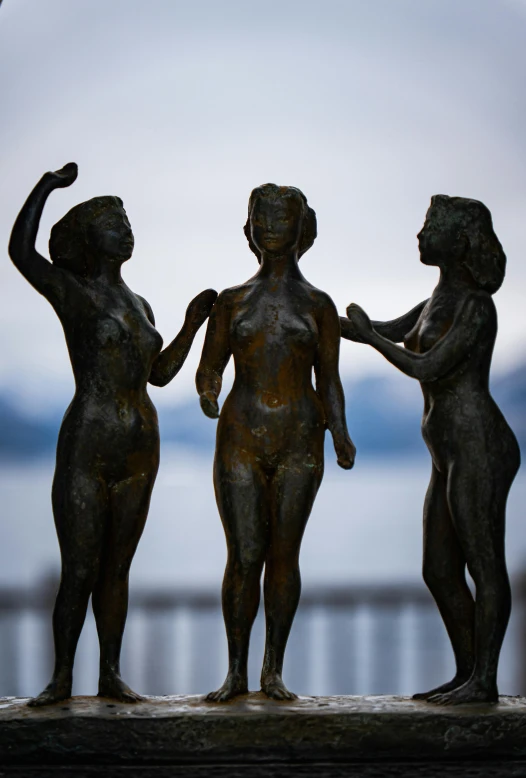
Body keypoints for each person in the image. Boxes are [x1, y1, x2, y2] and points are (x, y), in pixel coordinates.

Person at [9, 163, 217, 705]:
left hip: (140, 446)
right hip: (88, 442)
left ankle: (109, 674)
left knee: (116, 569)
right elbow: (20, 252)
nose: (125, 229)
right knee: (79, 567)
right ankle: (60, 679)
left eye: (126, 219)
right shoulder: (72, 292)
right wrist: (49, 185)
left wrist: (192, 325)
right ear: (85, 239)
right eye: (112, 221)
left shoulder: (140, 305)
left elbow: (159, 373)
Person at [342, 195, 520, 704]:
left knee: (484, 564)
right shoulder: (433, 303)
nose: (420, 236)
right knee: (439, 569)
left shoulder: (475, 308)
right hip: (447, 450)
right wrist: (312, 314)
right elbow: (368, 329)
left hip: (479, 445)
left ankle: (484, 680)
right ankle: (467, 675)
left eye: (429, 227)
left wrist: (374, 340)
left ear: (459, 242)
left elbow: (426, 366)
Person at [196, 183, 355, 702]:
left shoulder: (319, 305)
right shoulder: (232, 301)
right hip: (239, 438)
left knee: (284, 554)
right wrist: (208, 390)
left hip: (300, 440)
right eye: (260, 217)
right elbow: (209, 366)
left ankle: (273, 671)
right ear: (249, 229)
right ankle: (236, 672)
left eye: (281, 217)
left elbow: (328, 377)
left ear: (301, 229)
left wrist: (340, 430)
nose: (270, 225)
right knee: (244, 554)